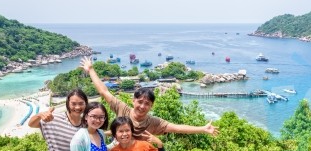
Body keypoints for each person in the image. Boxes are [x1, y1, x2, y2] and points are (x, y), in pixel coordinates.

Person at [80, 56, 219, 140]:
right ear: (133, 101)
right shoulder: (123, 109)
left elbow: (177, 128)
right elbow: (104, 92)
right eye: (140, 102)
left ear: (151, 106)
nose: (142, 106)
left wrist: (202, 129)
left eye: (147, 103)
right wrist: (91, 69)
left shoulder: (153, 122)